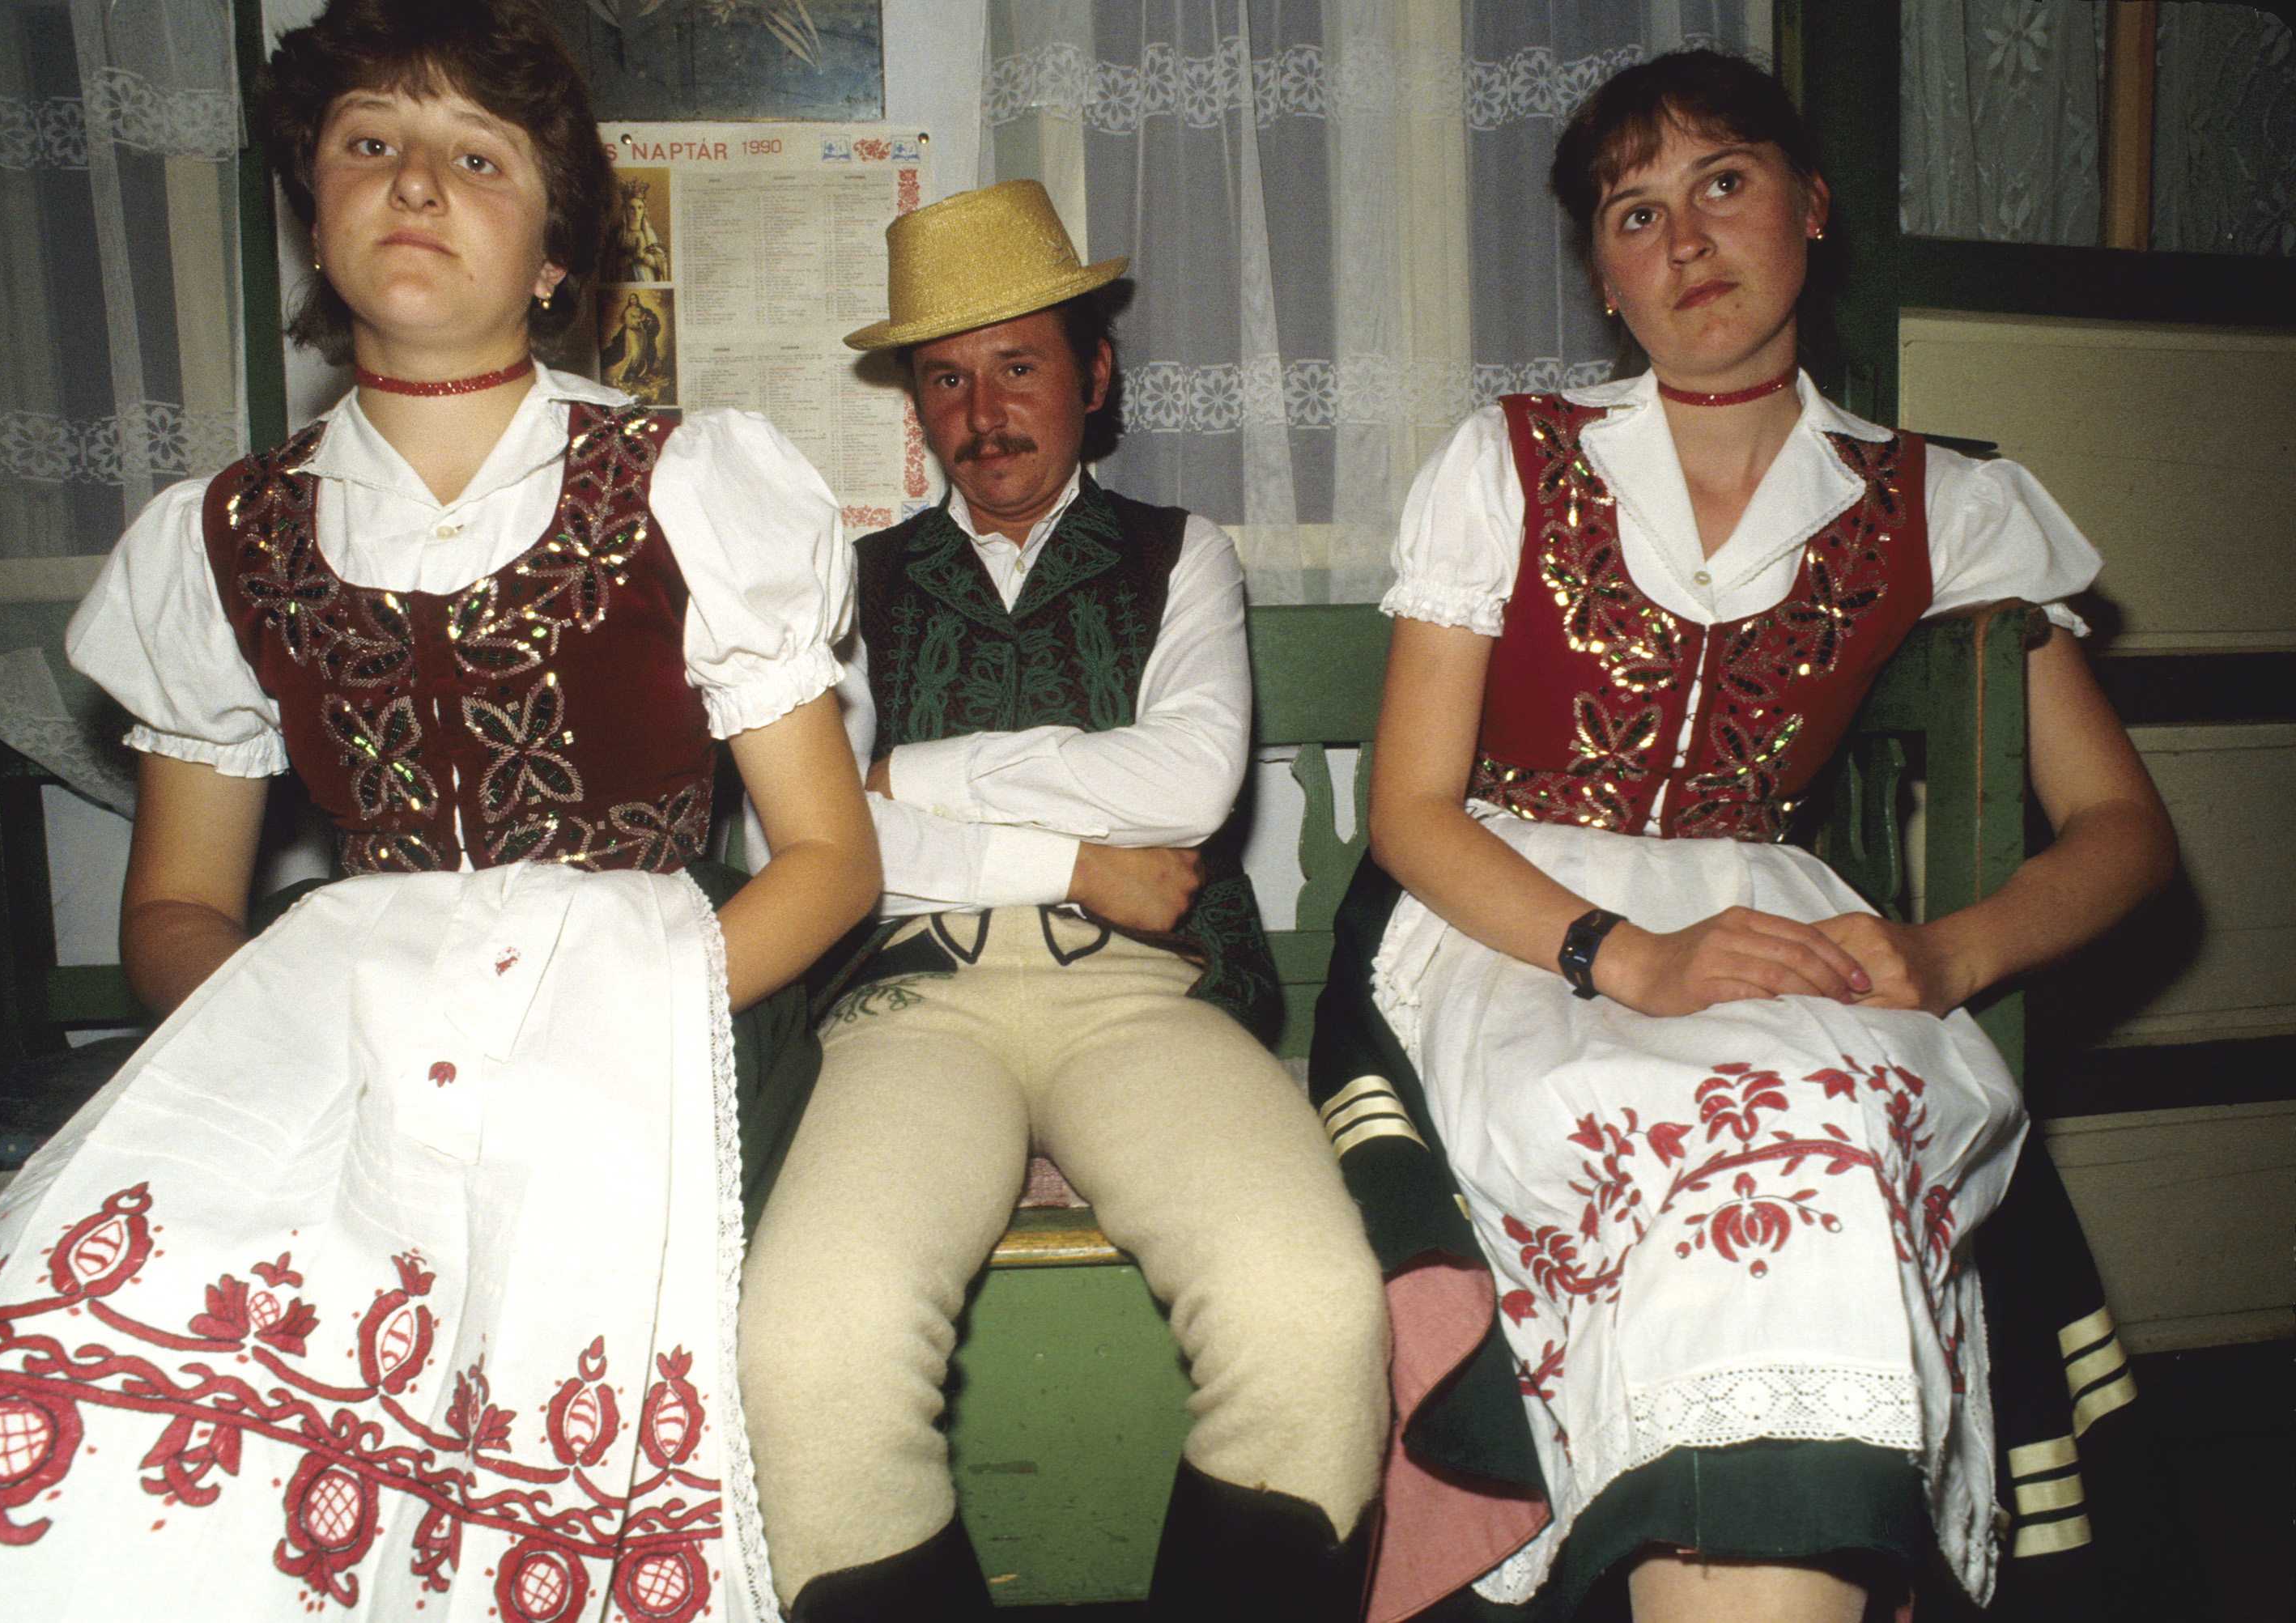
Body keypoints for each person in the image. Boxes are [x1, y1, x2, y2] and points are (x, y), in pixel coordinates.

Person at [0, 3, 876, 1618]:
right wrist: (313, 1035)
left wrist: (612, 1016)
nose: (416, 181)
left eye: (479, 157)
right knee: (142, 1319)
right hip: (345, 1031)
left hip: (668, 1022)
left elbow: (828, 861)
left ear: (555, 251)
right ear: (313, 209)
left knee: (563, 1329)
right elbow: (176, 911)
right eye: (370, 144)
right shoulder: (223, 537)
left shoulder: (692, 485)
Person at [1307, 49, 2175, 1623]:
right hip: (1508, 911)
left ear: (1812, 206)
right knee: (1674, 1127)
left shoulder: (1937, 498)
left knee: (1830, 1118)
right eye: (1635, 214)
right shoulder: (1510, 459)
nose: (1688, 241)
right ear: (1604, 279)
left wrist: (1948, 953)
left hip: (1770, 904)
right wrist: (1624, 955)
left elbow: (2123, 828)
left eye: (1723, 182)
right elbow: (1412, 810)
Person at [734, 181, 1390, 1621]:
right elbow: (819, 838)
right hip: (909, 1001)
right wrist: (1078, 857)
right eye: (945, 378)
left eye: (1018, 364)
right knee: (812, 1347)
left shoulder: (1178, 553)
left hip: (1143, 991)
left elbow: (1190, 781)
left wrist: (922, 776)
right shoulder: (848, 586)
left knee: (1312, 1311)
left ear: (1094, 377)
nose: (983, 413)